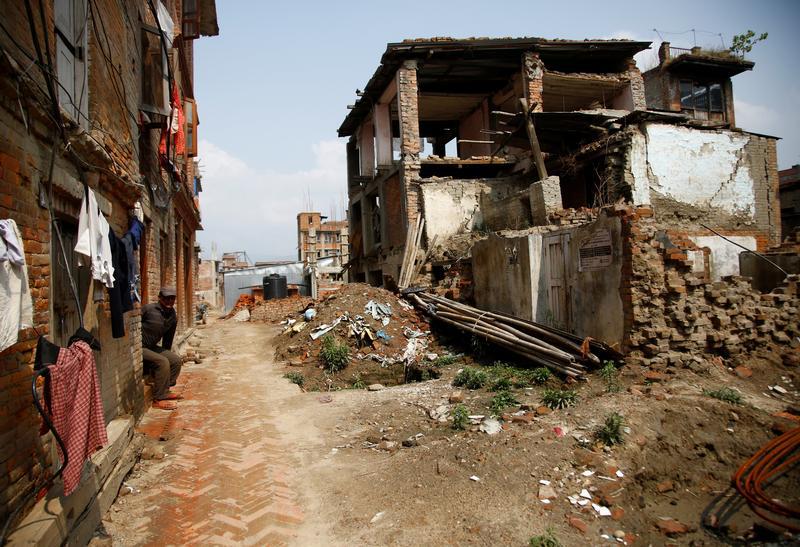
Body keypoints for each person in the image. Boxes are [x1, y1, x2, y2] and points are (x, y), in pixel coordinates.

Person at [141, 287, 183, 410]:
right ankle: (158, 399)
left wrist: (165, 353)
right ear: (159, 298)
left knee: (175, 361)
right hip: (139, 347)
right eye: (166, 298)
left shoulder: (172, 315)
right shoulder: (149, 309)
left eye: (172, 298)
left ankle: (164, 390)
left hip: (152, 347)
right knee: (162, 362)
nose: (169, 301)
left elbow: (168, 339)